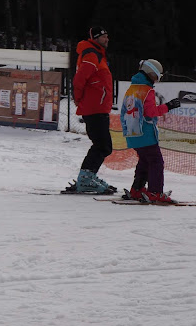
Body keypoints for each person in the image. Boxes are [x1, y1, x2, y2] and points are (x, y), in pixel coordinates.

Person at [120, 59, 181, 202]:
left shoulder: (132, 88)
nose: (157, 80)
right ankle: (155, 192)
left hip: (133, 132)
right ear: (152, 73)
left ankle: (137, 189)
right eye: (158, 76)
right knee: (156, 162)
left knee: (144, 161)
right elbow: (150, 112)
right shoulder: (147, 91)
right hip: (145, 133)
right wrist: (168, 106)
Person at [72, 26, 115, 193]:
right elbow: (79, 79)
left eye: (107, 36)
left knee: (102, 145)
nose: (107, 39)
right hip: (94, 107)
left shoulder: (97, 54)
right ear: (95, 38)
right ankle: (85, 178)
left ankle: (88, 176)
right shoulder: (91, 54)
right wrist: (78, 99)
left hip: (98, 106)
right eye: (104, 37)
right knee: (103, 145)